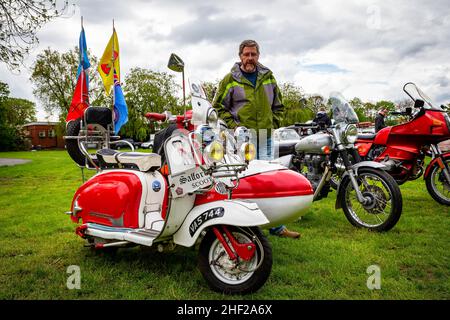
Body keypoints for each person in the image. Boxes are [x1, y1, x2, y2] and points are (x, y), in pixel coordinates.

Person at [213, 39, 301, 239]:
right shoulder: (230, 79)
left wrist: (274, 122)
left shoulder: (268, 77)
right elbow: (217, 107)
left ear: (258, 56)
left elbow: (278, 104)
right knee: (245, 180)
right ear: (240, 56)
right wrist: (234, 126)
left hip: (266, 137)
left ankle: (277, 227)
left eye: (253, 54)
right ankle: (245, 225)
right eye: (246, 54)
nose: (250, 58)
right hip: (244, 139)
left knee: (269, 180)